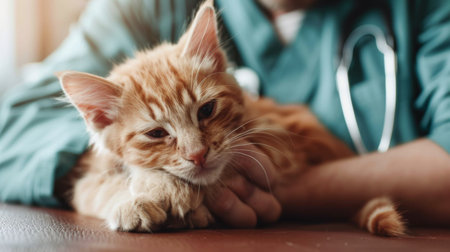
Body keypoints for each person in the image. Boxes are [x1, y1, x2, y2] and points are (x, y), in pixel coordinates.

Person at [0, 0, 449, 227]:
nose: (195, 151)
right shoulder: (151, 7)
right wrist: (130, 178)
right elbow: (14, 129)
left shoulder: (426, 9)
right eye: (158, 133)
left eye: (207, 111)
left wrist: (269, 192)